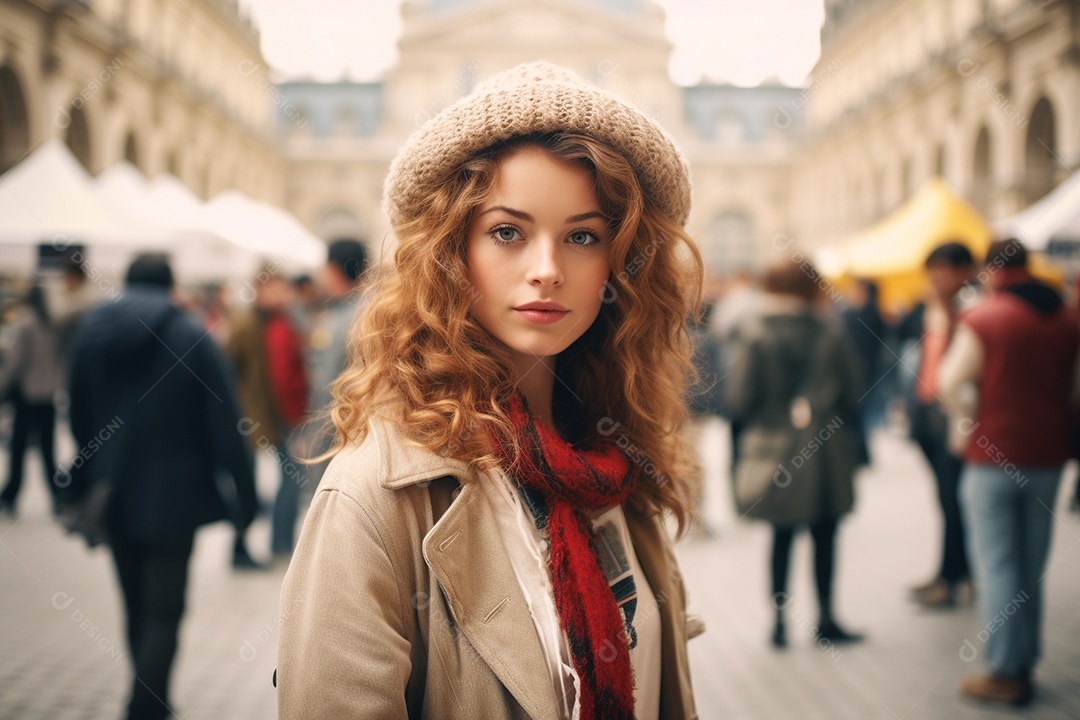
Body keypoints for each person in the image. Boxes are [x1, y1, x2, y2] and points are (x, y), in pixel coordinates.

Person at [277, 61, 703, 719]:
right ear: (452, 253)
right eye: (508, 232)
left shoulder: (617, 463)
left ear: (618, 261)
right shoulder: (377, 496)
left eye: (583, 237)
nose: (546, 270)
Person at [66, 254, 257, 720]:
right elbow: (225, 421)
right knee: (164, 610)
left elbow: (75, 410)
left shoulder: (93, 333)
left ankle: (148, 695)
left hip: (112, 492)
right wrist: (245, 495)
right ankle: (146, 704)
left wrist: (91, 468)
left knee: (133, 601)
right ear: (171, 287)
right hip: (176, 495)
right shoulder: (191, 336)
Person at [939, 239, 1080, 705]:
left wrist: (966, 422)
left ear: (992, 269)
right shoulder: (1068, 318)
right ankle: (1026, 659)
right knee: (1031, 566)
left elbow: (949, 382)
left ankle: (1003, 670)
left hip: (992, 456)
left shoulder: (985, 317)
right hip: (1048, 457)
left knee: (998, 565)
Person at [726, 258, 865, 649]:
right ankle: (826, 619)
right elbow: (852, 389)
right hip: (824, 452)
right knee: (826, 536)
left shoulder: (756, 333)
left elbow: (740, 396)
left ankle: (779, 623)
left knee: (781, 537)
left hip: (774, 452)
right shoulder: (829, 331)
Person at [897, 242, 977, 608]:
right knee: (945, 500)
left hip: (955, 418)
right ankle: (953, 572)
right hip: (927, 414)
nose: (937, 278)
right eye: (933, 270)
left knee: (953, 499)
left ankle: (954, 577)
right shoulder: (928, 309)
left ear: (965, 271)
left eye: (944, 269)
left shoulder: (972, 310)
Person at [227, 269, 309, 562]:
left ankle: (269, 542)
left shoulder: (275, 321)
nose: (284, 294)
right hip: (250, 416)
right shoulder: (247, 324)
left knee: (280, 475)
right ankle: (241, 547)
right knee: (247, 481)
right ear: (261, 290)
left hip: (269, 414)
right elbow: (228, 368)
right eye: (277, 289)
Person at [0, 284, 63, 515]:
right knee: (48, 450)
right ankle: (57, 497)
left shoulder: (25, 324)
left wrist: (3, 387)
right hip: (47, 394)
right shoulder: (51, 322)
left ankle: (10, 495)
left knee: (18, 448)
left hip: (26, 395)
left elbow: (15, 363)